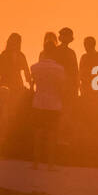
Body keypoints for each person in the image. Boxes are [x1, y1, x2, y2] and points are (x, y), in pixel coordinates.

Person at [29, 32, 66, 169]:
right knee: (52, 135)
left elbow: (32, 84)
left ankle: (36, 163)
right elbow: (62, 88)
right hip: (54, 105)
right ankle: (50, 164)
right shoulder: (60, 69)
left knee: (37, 134)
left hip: (38, 102)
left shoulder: (35, 67)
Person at [0, 32, 29, 96]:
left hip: (8, 86)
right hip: (14, 87)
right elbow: (27, 73)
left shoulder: (4, 54)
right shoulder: (20, 55)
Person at [78, 36, 98, 101]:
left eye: (87, 45)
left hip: (95, 91)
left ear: (93, 45)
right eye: (85, 45)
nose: (85, 47)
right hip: (87, 90)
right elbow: (80, 74)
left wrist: (94, 75)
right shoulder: (84, 57)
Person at [53, 27, 79, 103]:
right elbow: (76, 71)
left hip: (65, 86)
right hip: (64, 86)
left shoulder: (56, 51)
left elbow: (76, 71)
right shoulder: (70, 52)